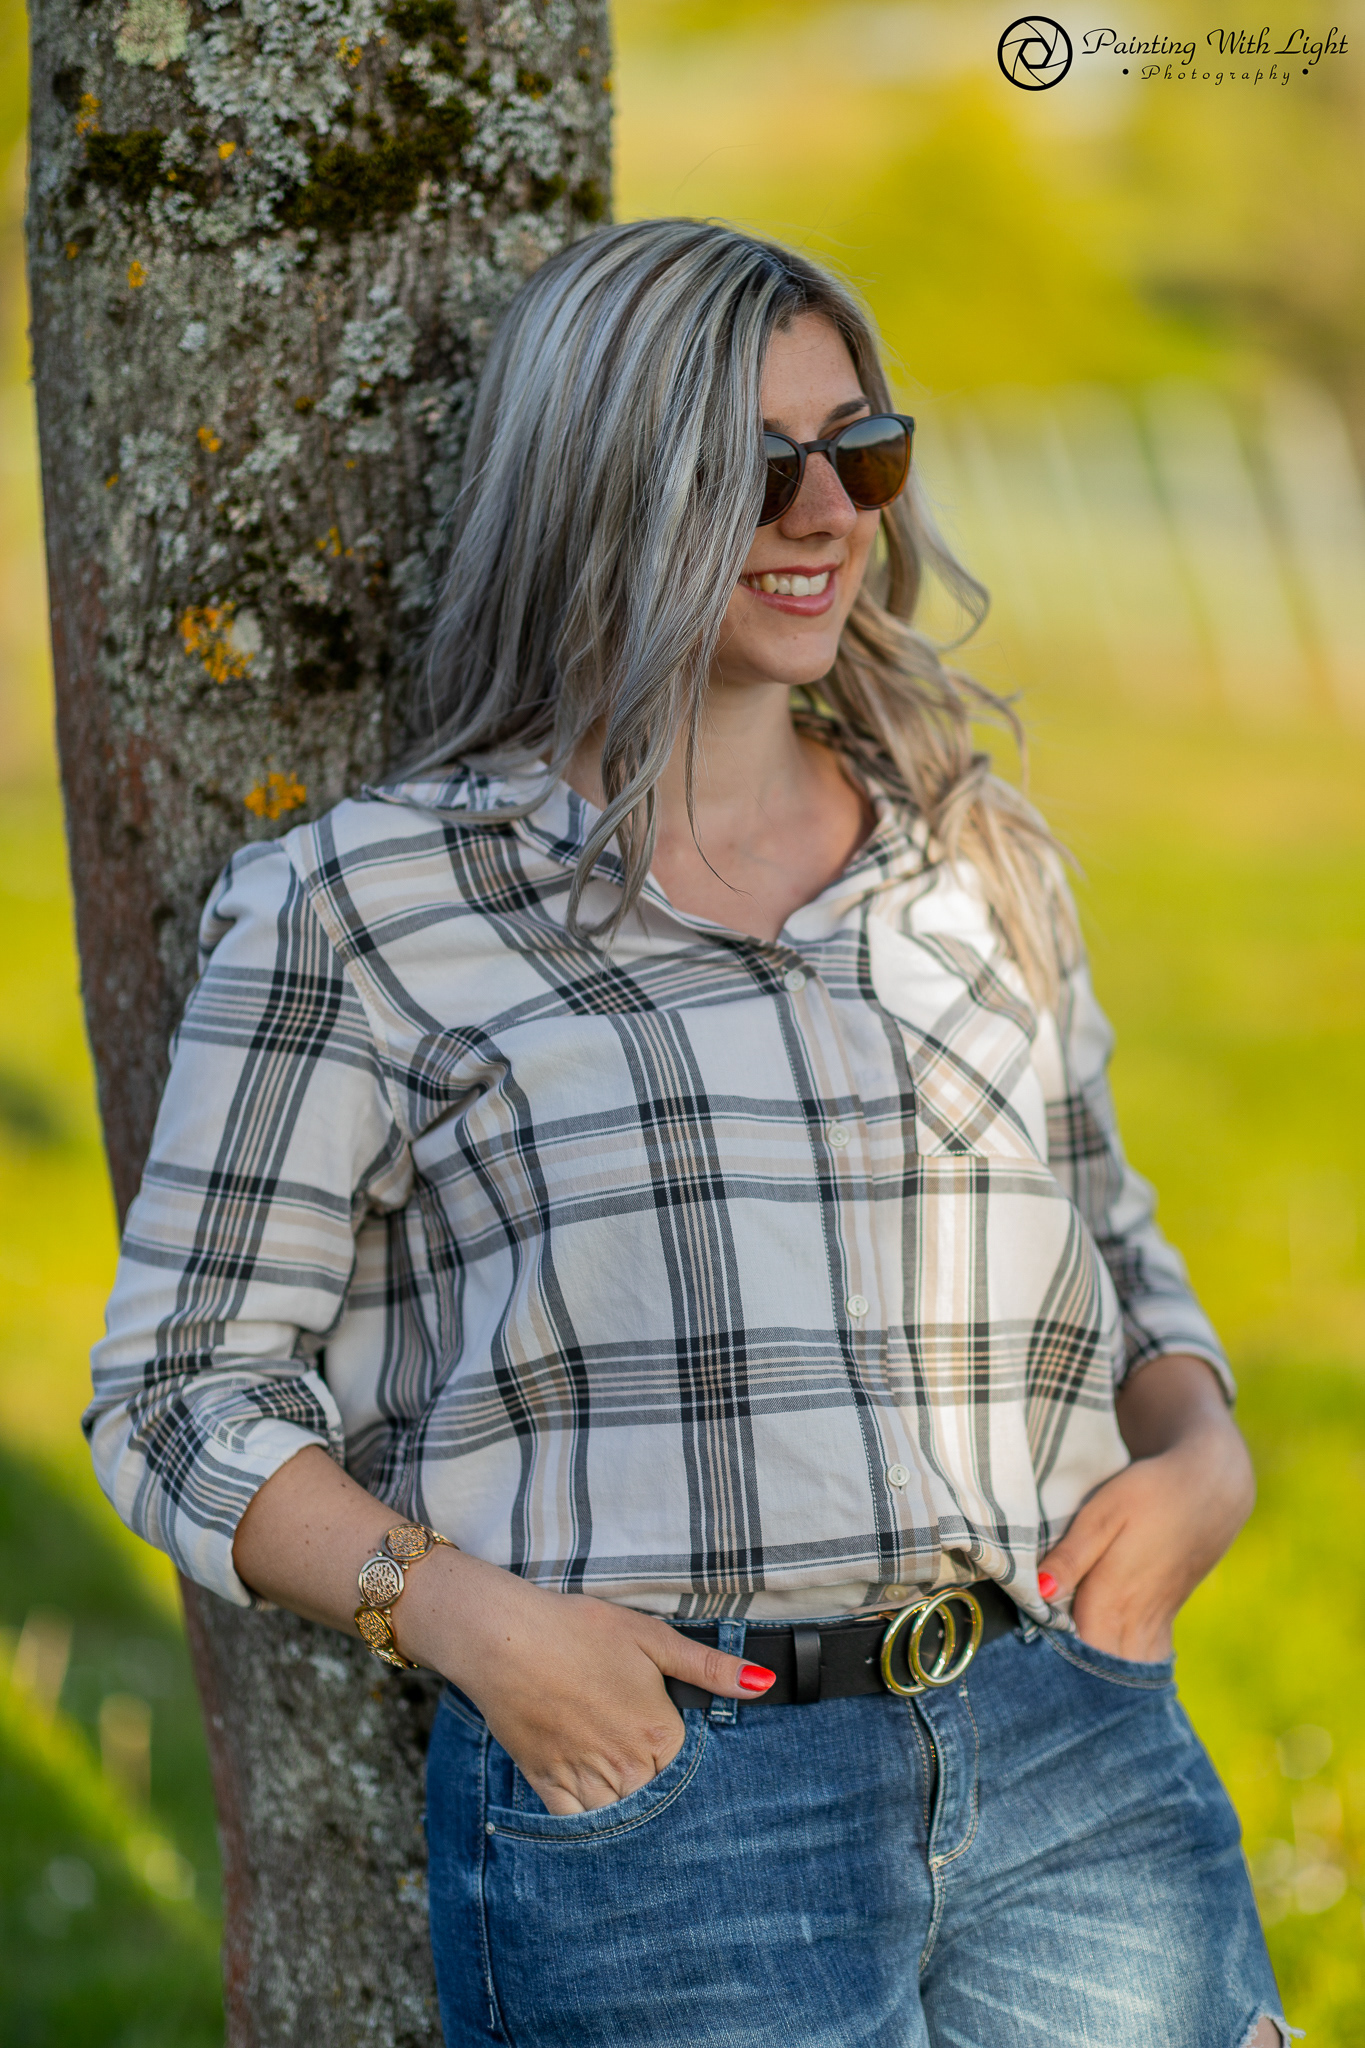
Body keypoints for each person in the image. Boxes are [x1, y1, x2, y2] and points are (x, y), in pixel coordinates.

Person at [87, 219, 1289, 2047]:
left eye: (858, 449)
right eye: (749, 464)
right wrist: (476, 1627)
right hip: (667, 1804)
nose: (821, 513)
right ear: (591, 493)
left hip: (1072, 1746)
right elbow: (178, 1389)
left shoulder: (975, 862)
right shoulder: (369, 908)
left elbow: (1108, 1238)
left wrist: (1203, 1461)